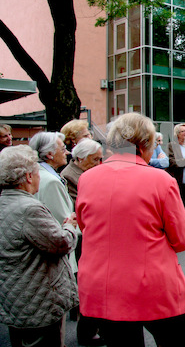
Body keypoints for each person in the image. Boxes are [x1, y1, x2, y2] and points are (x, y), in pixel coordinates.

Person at [76, 112, 185, 346]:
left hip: (103, 287)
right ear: (144, 145)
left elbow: (86, 225)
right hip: (153, 286)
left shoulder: (87, 179)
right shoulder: (160, 180)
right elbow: (182, 239)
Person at [0, 145, 78, 347]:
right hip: (37, 298)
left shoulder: (4, 202)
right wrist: (69, 227)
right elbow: (60, 243)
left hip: (14, 293)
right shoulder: (30, 209)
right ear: (28, 177)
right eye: (36, 173)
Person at [60, 138, 104, 345]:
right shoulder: (70, 176)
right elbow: (83, 206)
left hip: (89, 234)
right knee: (91, 286)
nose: (99, 164)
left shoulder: (84, 173)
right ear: (80, 159)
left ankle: (92, 329)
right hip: (82, 235)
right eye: (95, 160)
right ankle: (87, 332)